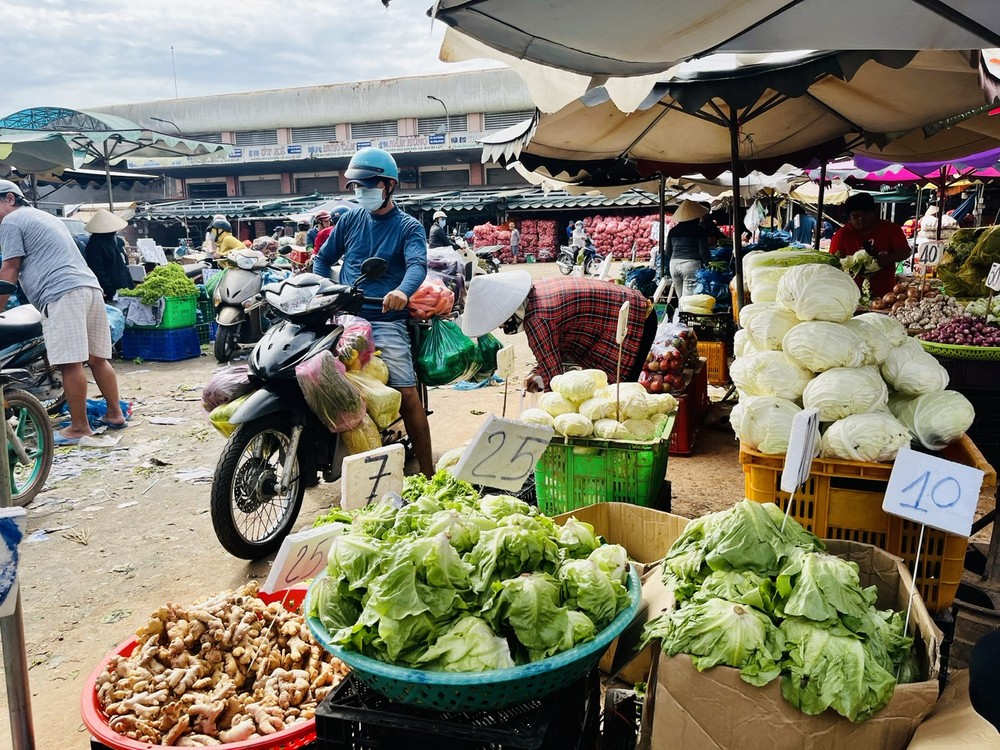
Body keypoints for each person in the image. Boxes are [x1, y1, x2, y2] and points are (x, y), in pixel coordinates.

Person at [313, 147, 433, 477]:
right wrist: (325, 287)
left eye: (368, 184)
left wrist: (401, 291)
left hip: (384, 319)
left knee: (406, 393)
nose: (361, 190)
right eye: (357, 185)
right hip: (343, 317)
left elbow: (417, 265)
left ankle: (429, 473)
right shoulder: (349, 220)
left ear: (389, 185)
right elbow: (323, 259)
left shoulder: (408, 227)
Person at [0, 179, 127, 443]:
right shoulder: (44, 217)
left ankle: (79, 427)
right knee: (97, 359)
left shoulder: (11, 221)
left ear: (10, 198)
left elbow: (10, 268)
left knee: (70, 363)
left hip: (61, 292)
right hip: (88, 287)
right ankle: (115, 414)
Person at [462, 271, 657, 391]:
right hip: (632, 309)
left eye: (500, 321)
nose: (500, 326)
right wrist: (537, 373)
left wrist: (544, 391)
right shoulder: (535, 292)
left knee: (620, 394)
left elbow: (555, 380)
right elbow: (550, 355)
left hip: (634, 321)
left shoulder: (538, 319)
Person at [830, 192, 910, 299]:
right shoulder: (841, 236)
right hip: (851, 295)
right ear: (849, 218)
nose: (861, 219)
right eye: (855, 216)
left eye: (865, 214)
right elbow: (832, 264)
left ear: (874, 212)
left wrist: (888, 258)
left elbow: (905, 251)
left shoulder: (891, 229)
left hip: (886, 296)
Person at [83, 208, 133, 302]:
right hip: (111, 292)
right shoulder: (95, 245)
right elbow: (98, 270)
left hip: (122, 287)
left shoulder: (113, 241)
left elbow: (122, 265)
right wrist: (110, 291)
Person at [664, 200, 711, 299]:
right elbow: (703, 252)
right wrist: (709, 265)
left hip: (674, 265)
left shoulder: (673, 231)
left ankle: (680, 309)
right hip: (690, 265)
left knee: (680, 298)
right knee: (688, 300)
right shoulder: (699, 231)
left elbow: (667, 252)